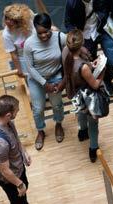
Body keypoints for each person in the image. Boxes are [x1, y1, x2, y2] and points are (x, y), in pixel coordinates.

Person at [0, 95, 50, 204]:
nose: (18, 111)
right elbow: (4, 171)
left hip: (18, 168)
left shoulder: (0, 117)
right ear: (9, 115)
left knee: (23, 192)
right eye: (17, 110)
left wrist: (23, 151)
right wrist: (19, 184)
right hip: (10, 178)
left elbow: (14, 136)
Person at [24, 13, 66, 150]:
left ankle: (58, 124)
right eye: (39, 33)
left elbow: (70, 56)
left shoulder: (60, 37)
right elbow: (29, 68)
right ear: (35, 30)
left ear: (50, 27)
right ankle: (40, 130)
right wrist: (44, 83)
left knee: (57, 105)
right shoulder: (29, 43)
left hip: (56, 76)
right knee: (37, 108)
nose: (43, 36)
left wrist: (64, 80)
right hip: (37, 79)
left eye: (46, 32)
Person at [62, 29, 105, 162]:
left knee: (80, 112)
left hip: (75, 93)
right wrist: (102, 70)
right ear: (81, 45)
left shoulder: (65, 52)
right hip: (87, 97)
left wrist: (91, 65)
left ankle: (82, 132)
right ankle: (93, 149)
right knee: (93, 122)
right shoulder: (83, 67)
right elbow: (95, 85)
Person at [64, 0, 113, 97]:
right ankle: (95, 84)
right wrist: (80, 45)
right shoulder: (72, 3)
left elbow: (112, 4)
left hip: (104, 28)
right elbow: (68, 23)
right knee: (90, 61)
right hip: (85, 35)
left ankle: (107, 80)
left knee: (112, 60)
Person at [2, 3, 35, 78]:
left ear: (20, 21)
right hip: (24, 58)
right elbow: (14, 54)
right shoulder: (6, 34)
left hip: (38, 52)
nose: (7, 21)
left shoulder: (29, 18)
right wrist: (19, 70)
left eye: (11, 20)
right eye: (6, 18)